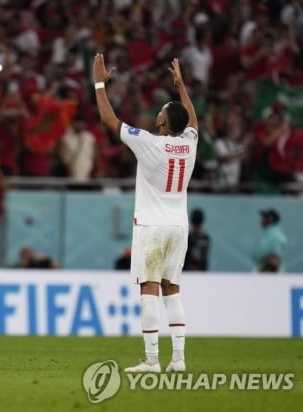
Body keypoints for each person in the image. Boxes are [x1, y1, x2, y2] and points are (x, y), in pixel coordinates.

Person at [92, 54, 198, 373]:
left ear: (163, 122)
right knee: (172, 290)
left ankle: (152, 361)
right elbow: (193, 121)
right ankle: (178, 360)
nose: (158, 111)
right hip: (179, 226)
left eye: (162, 110)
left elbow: (109, 120)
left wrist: (98, 83)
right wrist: (181, 87)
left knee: (149, 290)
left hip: (152, 226)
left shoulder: (150, 143)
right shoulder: (190, 144)